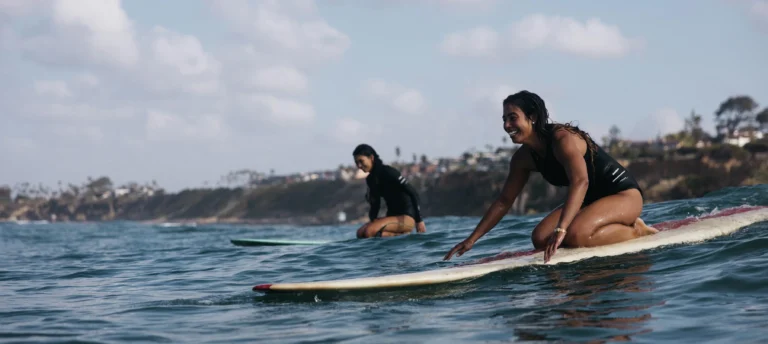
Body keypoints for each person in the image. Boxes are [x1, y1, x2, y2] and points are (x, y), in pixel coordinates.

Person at [444, 90, 657, 263]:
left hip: (622, 195)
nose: (507, 125)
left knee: (576, 235)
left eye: (512, 118)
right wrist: (472, 240)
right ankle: (601, 226)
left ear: (533, 117)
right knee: (540, 238)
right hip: (589, 202)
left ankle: (636, 230)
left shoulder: (562, 139)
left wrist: (562, 228)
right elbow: (504, 201)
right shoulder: (523, 159)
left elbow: (580, 181)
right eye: (504, 119)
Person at [353, 143, 427, 238]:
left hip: (407, 217)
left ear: (371, 158)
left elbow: (412, 192)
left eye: (361, 161)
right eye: (356, 163)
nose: (359, 166)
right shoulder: (370, 180)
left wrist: (419, 220)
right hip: (392, 217)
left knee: (369, 232)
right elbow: (375, 205)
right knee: (360, 233)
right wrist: (373, 221)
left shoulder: (388, 172)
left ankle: (400, 234)